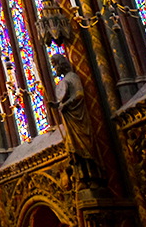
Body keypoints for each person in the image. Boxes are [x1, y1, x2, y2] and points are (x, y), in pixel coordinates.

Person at [50, 52, 102, 191]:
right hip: (70, 119)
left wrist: (65, 105)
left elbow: (79, 94)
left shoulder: (72, 77)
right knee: (74, 150)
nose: (55, 69)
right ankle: (81, 177)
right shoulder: (65, 79)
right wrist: (56, 105)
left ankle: (93, 176)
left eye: (55, 66)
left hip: (79, 117)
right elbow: (64, 98)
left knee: (85, 147)